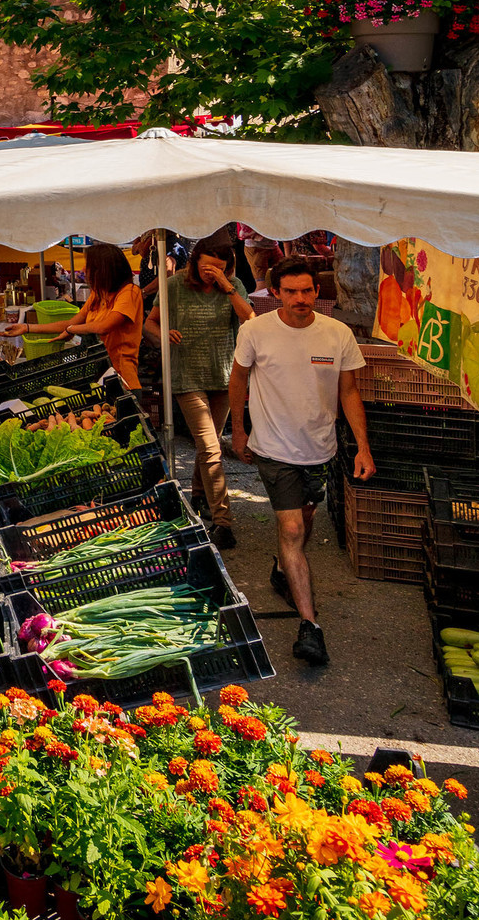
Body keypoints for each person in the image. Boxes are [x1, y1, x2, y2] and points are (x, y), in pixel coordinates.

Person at [228, 258, 371, 668]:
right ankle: (309, 627)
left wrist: (362, 446)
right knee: (291, 527)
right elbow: (238, 379)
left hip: (320, 449)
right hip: (273, 448)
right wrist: (239, 430)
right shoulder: (255, 331)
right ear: (276, 293)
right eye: (291, 291)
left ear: (317, 292)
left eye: (307, 290)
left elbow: (349, 392)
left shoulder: (337, 334)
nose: (300, 299)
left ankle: (280, 566)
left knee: (305, 522)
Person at [143, 230, 254, 548]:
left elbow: (250, 319)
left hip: (224, 377)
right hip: (186, 376)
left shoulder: (232, 286)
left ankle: (198, 496)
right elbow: (150, 324)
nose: (211, 274)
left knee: (210, 446)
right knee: (210, 448)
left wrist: (227, 285)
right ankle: (222, 523)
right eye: (206, 268)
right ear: (194, 264)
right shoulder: (175, 285)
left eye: (218, 269)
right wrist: (165, 333)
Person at [34, 242, 144, 389]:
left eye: (89, 266)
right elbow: (70, 323)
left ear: (103, 269)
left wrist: (71, 330)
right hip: (98, 379)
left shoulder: (129, 292)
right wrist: (27, 328)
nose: (84, 269)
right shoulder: (98, 295)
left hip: (123, 382)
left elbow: (104, 327)